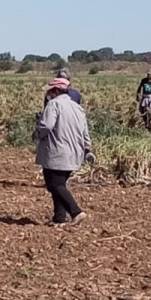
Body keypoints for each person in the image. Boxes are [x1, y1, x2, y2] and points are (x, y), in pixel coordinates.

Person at [34, 77, 93, 225]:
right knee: (60, 184)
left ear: (55, 91)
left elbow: (46, 126)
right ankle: (59, 218)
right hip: (74, 152)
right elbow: (85, 132)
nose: (48, 94)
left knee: (54, 184)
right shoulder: (77, 108)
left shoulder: (54, 104)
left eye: (50, 91)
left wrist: (37, 134)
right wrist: (87, 149)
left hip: (57, 151)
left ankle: (76, 212)